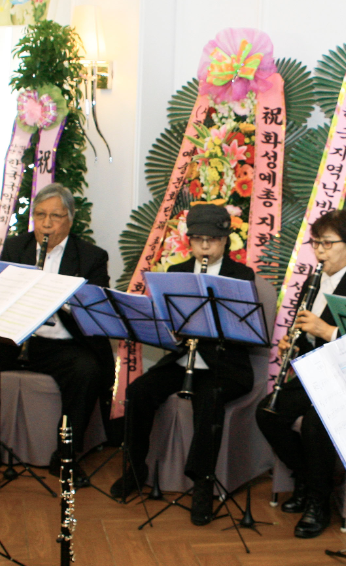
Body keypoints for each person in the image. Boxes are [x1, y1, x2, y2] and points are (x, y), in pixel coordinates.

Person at [0, 183, 113, 478]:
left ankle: (66, 455)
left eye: (55, 216)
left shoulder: (91, 256)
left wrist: (59, 297)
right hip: (15, 340)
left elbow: (93, 310)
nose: (46, 224)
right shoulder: (17, 247)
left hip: (62, 345)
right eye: (40, 215)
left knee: (87, 371)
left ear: (70, 220)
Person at [109, 203, 254, 525]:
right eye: (198, 239)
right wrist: (169, 329)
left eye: (212, 240)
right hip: (183, 357)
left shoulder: (241, 276)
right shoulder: (177, 272)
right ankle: (136, 467)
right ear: (190, 241)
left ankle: (202, 483)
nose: (205, 247)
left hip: (225, 364)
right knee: (139, 391)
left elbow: (245, 331)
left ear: (225, 240)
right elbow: (165, 320)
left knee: (210, 398)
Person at [255, 209, 346, 538]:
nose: (319, 251)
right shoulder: (313, 282)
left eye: (327, 243)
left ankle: (318, 501)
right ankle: (305, 479)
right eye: (316, 243)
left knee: (318, 422)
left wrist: (327, 331)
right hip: (320, 373)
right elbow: (309, 337)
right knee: (267, 413)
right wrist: (295, 343)